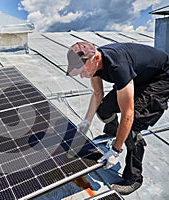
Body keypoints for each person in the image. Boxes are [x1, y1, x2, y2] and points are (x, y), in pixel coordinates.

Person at [66, 41, 169, 195]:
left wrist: (116, 150)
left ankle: (134, 178)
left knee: (132, 128)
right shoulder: (95, 64)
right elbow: (97, 95)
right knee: (104, 109)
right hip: (139, 76)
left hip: (160, 78)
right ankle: (113, 132)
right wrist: (87, 121)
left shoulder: (118, 66)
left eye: (82, 70)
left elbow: (128, 113)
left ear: (95, 59)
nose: (81, 76)